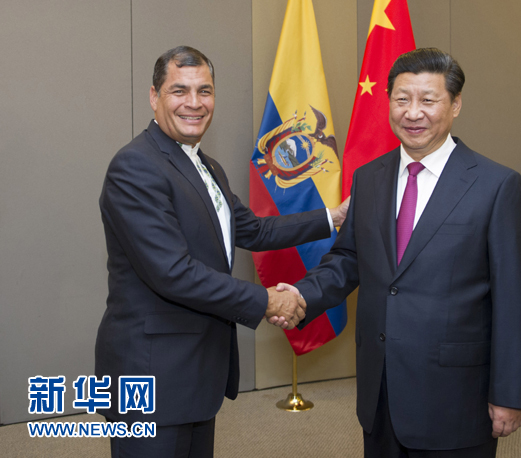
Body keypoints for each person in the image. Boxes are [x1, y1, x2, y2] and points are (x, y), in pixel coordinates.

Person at [276, 48, 521, 457]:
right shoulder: (369, 178)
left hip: (455, 397)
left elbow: (514, 300)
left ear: (455, 104)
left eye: (428, 100)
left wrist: (510, 393)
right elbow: (348, 259)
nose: (413, 113)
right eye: (402, 99)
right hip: (380, 391)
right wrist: (301, 295)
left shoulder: (496, 186)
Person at [95, 45, 348, 458]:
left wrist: (332, 217)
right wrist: (267, 300)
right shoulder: (136, 166)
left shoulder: (207, 166)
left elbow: (254, 229)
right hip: (153, 373)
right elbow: (173, 272)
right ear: (154, 97)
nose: (194, 103)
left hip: (195, 370)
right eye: (179, 91)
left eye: (205, 91)